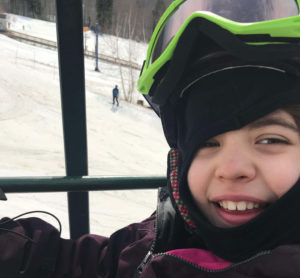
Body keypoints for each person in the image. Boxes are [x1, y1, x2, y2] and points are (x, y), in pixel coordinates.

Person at [1, 1, 300, 277]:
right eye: (207, 143)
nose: (231, 168)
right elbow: (80, 264)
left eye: (270, 140)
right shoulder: (165, 237)